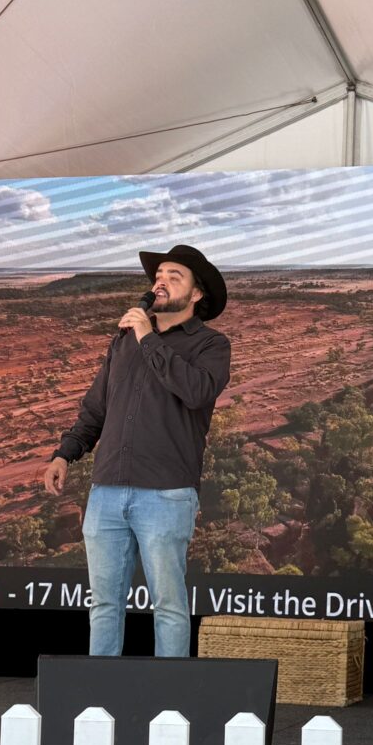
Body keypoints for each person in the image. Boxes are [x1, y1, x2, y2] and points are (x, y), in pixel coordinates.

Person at [42, 244, 231, 657]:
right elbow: (97, 407)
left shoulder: (210, 345)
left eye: (173, 276)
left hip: (165, 492)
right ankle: (100, 703)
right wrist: (65, 453)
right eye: (158, 274)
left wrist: (148, 337)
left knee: (168, 606)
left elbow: (197, 391)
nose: (160, 281)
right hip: (107, 490)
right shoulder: (124, 342)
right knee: (105, 605)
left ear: (197, 294)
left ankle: (169, 707)